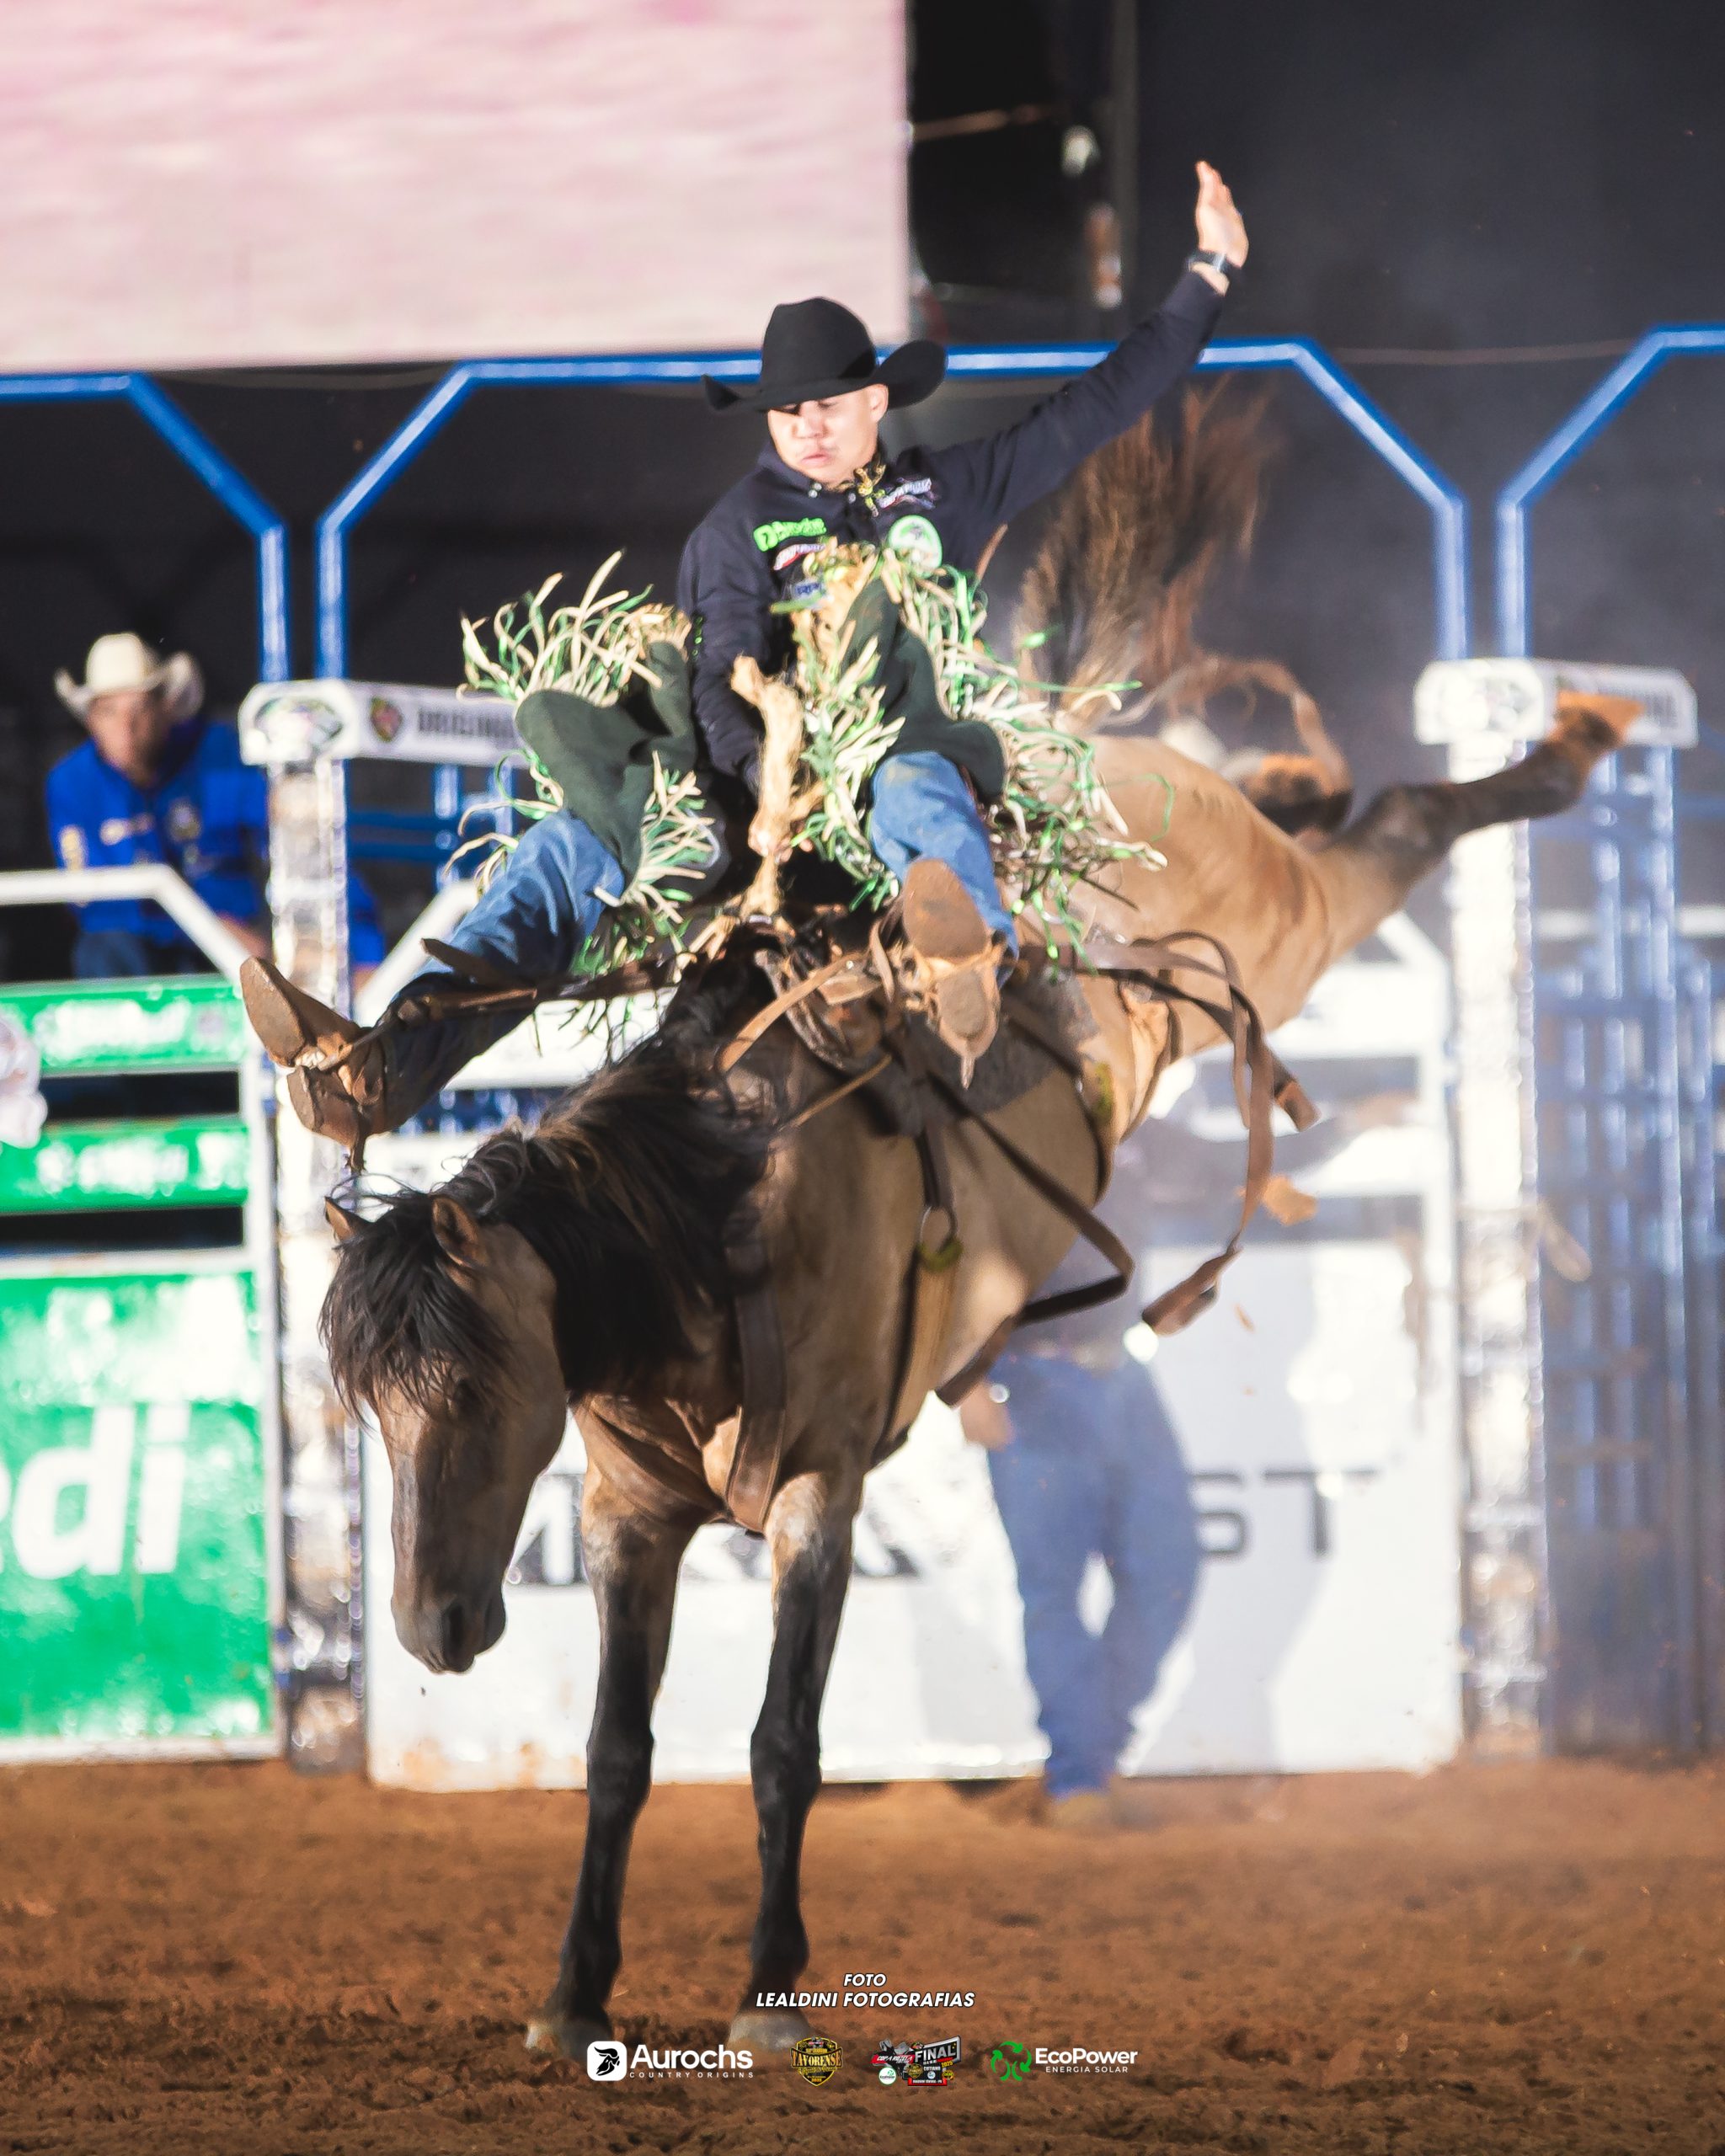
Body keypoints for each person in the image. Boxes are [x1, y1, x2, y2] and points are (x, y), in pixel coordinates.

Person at [241, 164, 1248, 1146]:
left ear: (872, 403)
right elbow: (724, 664)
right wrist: (757, 798)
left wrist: (1206, 276)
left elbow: (1097, 406)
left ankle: (968, 974)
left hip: (888, 776)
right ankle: (382, 1062)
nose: (808, 427)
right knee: (562, 855)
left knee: (913, 787)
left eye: (826, 404)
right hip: (731, 808)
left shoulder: (937, 494)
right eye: (788, 408)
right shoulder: (738, 530)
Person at [48, 633, 384, 980]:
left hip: (239, 952)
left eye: (140, 708)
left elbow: (307, 844)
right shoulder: (72, 784)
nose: (126, 728)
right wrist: (203, 924)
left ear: (165, 708)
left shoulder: (218, 756)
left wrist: (360, 956)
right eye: (109, 711)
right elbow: (94, 905)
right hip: (147, 954)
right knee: (106, 949)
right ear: (90, 718)